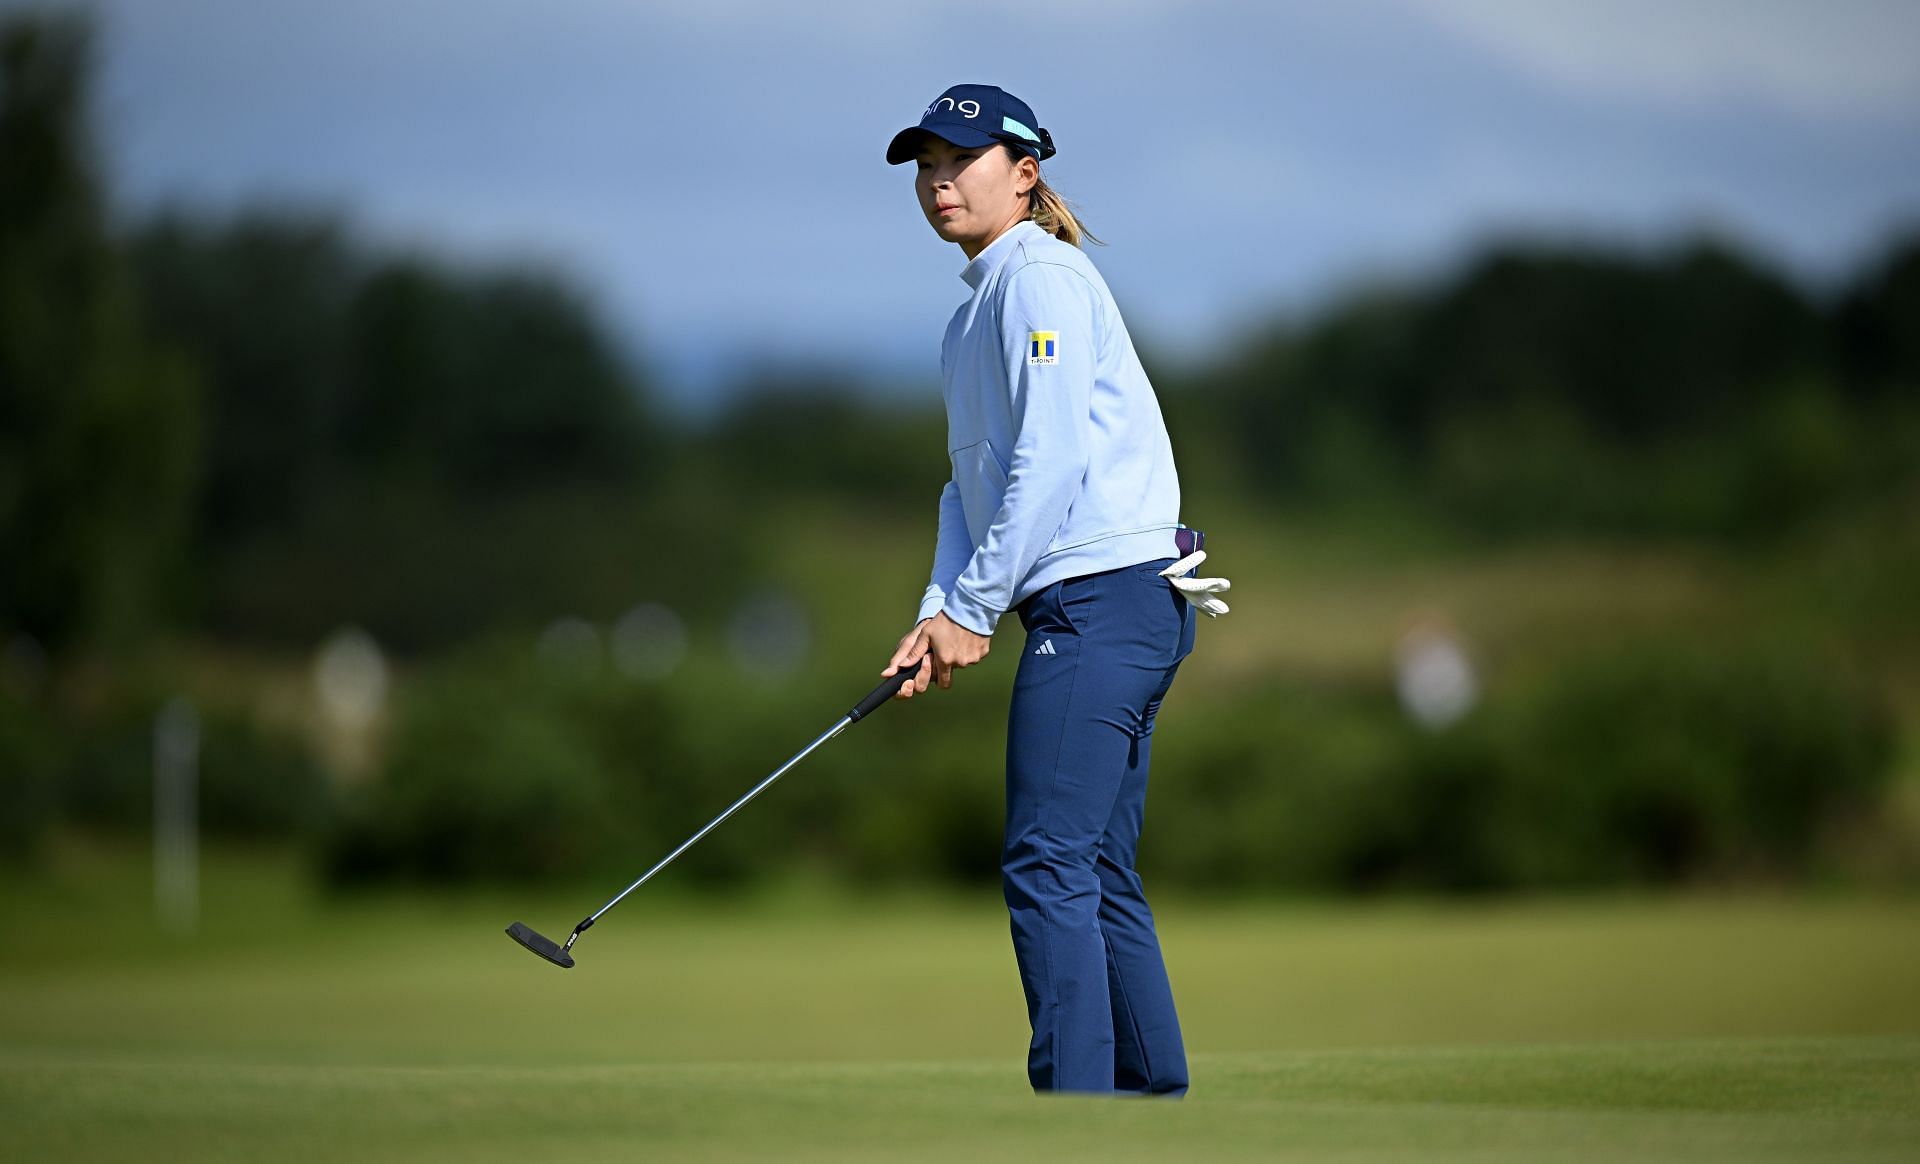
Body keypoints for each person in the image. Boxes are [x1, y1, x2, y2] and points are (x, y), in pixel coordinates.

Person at [877, 83, 1228, 1097]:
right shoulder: (972, 315)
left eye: (962, 162)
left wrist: (975, 608)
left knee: (1046, 865)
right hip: (1110, 607)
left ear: (1025, 174)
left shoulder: (1038, 278)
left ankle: (1071, 1114)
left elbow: (1053, 460)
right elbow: (970, 489)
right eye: (926, 166)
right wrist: (934, 614)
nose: (940, 183)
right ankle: (1152, 1099)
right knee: (1096, 870)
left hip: (1103, 604)